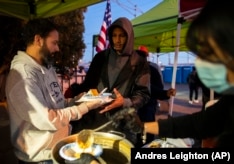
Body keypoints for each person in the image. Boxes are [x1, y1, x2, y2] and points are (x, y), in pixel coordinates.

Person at [5, 19, 110, 163]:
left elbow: (58, 104)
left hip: (57, 149)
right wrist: (85, 107)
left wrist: (81, 99)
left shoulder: (47, 69)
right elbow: (48, 119)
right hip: (39, 158)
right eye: (54, 43)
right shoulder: (22, 76)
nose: (57, 48)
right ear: (38, 40)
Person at [143, 0, 234, 147]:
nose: (199, 60)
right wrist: (144, 127)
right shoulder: (229, 102)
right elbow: (198, 122)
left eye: (208, 51)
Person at [69, 17, 151, 145]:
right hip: (93, 119)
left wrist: (125, 101)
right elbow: (88, 85)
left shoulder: (139, 62)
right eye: (114, 35)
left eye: (122, 36)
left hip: (121, 122)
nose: (117, 40)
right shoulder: (100, 57)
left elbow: (143, 94)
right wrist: (79, 92)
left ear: (129, 36)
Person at [135, 46, 176, 147]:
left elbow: (158, 89)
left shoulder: (153, 70)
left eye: (142, 56)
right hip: (134, 108)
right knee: (136, 134)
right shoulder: (132, 70)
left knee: (147, 135)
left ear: (146, 57)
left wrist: (165, 93)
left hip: (148, 107)